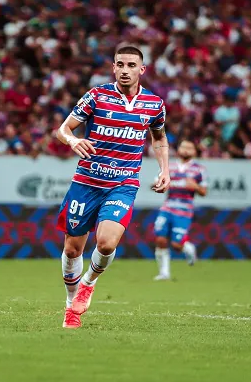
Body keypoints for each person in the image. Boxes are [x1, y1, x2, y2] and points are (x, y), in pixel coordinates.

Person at [56, 43, 171, 329]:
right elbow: (63, 129)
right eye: (120, 64)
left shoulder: (154, 104)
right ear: (113, 67)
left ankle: (88, 284)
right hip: (86, 182)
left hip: (122, 183)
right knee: (72, 250)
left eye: (131, 65)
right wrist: (73, 141)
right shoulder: (97, 95)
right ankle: (71, 305)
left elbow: (158, 138)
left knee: (107, 243)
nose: (125, 70)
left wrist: (165, 169)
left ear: (142, 70)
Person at [153, 140, 207, 280]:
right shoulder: (169, 167)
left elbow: (203, 192)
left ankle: (188, 248)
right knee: (160, 239)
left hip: (184, 210)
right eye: (183, 146)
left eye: (189, 147)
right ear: (178, 149)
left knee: (176, 244)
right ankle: (164, 273)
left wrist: (195, 186)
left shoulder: (199, 170)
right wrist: (158, 184)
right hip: (168, 207)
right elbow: (156, 183)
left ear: (194, 152)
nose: (186, 150)